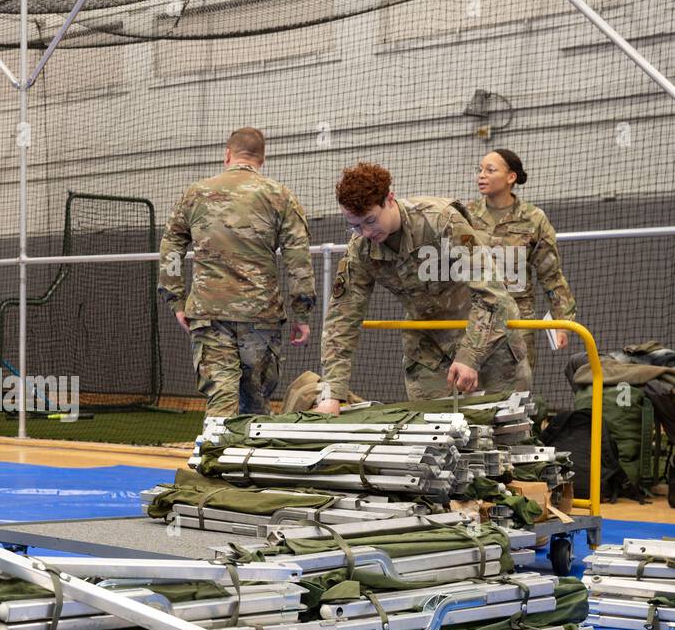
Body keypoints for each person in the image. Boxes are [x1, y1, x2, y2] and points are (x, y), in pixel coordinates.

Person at [316, 162, 529, 415]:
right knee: (433, 438)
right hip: (430, 348)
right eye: (354, 225)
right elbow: (341, 319)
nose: (365, 231)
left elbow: (493, 295)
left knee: (506, 434)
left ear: (389, 199)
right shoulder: (361, 247)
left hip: (487, 339)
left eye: (370, 221)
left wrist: (469, 356)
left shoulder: (441, 220)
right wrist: (333, 393)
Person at [158, 127, 314, 417]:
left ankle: (215, 456)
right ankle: (250, 461)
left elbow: (171, 246)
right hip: (261, 316)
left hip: (209, 313)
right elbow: (298, 258)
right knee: (255, 403)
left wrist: (175, 300)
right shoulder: (280, 196)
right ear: (262, 160)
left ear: (227, 155)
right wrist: (301, 314)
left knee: (221, 396)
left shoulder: (196, 194)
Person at [466, 149, 575, 368]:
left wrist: (562, 322)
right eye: (480, 170)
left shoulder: (533, 219)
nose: (481, 175)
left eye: (490, 170)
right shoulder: (465, 215)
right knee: (470, 397)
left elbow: (551, 276)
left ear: (511, 177)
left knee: (515, 395)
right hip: (472, 322)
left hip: (516, 322)